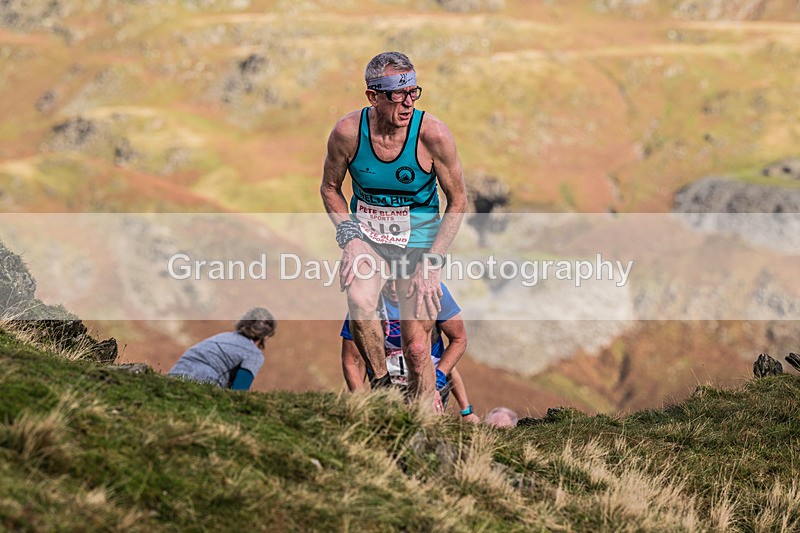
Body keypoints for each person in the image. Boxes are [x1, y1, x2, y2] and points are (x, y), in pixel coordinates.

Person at [320, 51, 467, 409]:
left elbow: (458, 200)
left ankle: (423, 421)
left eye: (413, 92)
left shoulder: (432, 134)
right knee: (358, 298)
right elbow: (329, 188)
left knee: (417, 348)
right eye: (396, 94)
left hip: (418, 248)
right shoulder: (348, 133)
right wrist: (350, 239)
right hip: (370, 241)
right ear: (373, 96)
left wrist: (432, 262)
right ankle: (383, 387)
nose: (407, 103)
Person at [340, 280, 480, 423]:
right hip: (386, 381)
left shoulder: (433, 290)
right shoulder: (365, 299)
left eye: (399, 278)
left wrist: (438, 385)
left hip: (429, 381)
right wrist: (362, 405)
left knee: (423, 431)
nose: (394, 287)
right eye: (389, 280)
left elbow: (459, 339)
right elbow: (352, 361)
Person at [168, 307, 276, 390]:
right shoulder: (254, 354)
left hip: (171, 379)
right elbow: (239, 391)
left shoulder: (222, 336)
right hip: (201, 387)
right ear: (266, 336)